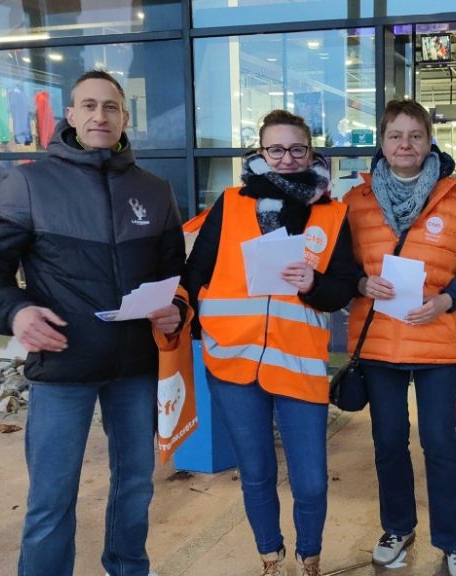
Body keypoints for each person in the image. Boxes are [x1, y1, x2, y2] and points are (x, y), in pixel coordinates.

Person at [0, 70, 185, 576]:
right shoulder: (29, 184)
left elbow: (177, 275)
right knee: (51, 496)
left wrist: (180, 309)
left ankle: (128, 567)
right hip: (63, 362)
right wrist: (15, 310)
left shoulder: (155, 190)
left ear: (126, 118)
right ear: (71, 116)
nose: (99, 116)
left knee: (135, 486)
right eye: (88, 106)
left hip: (135, 366)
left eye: (110, 107)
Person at [183, 110, 361, 576]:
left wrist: (313, 282)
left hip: (299, 361)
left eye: (296, 149)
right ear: (260, 152)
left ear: (311, 152)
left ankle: (310, 559)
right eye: (275, 149)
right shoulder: (230, 204)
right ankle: (269, 557)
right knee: (256, 472)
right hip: (233, 359)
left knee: (312, 481)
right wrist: (196, 324)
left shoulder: (331, 213)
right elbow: (197, 270)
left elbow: (343, 286)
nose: (286, 159)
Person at [345, 99, 456, 576]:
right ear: (382, 143)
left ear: (429, 141)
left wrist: (447, 300)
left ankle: (453, 541)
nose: (405, 144)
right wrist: (360, 283)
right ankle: (398, 527)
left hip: (437, 340)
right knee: (388, 440)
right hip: (379, 343)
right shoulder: (356, 202)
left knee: (440, 441)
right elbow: (338, 266)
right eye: (395, 136)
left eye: (415, 135)